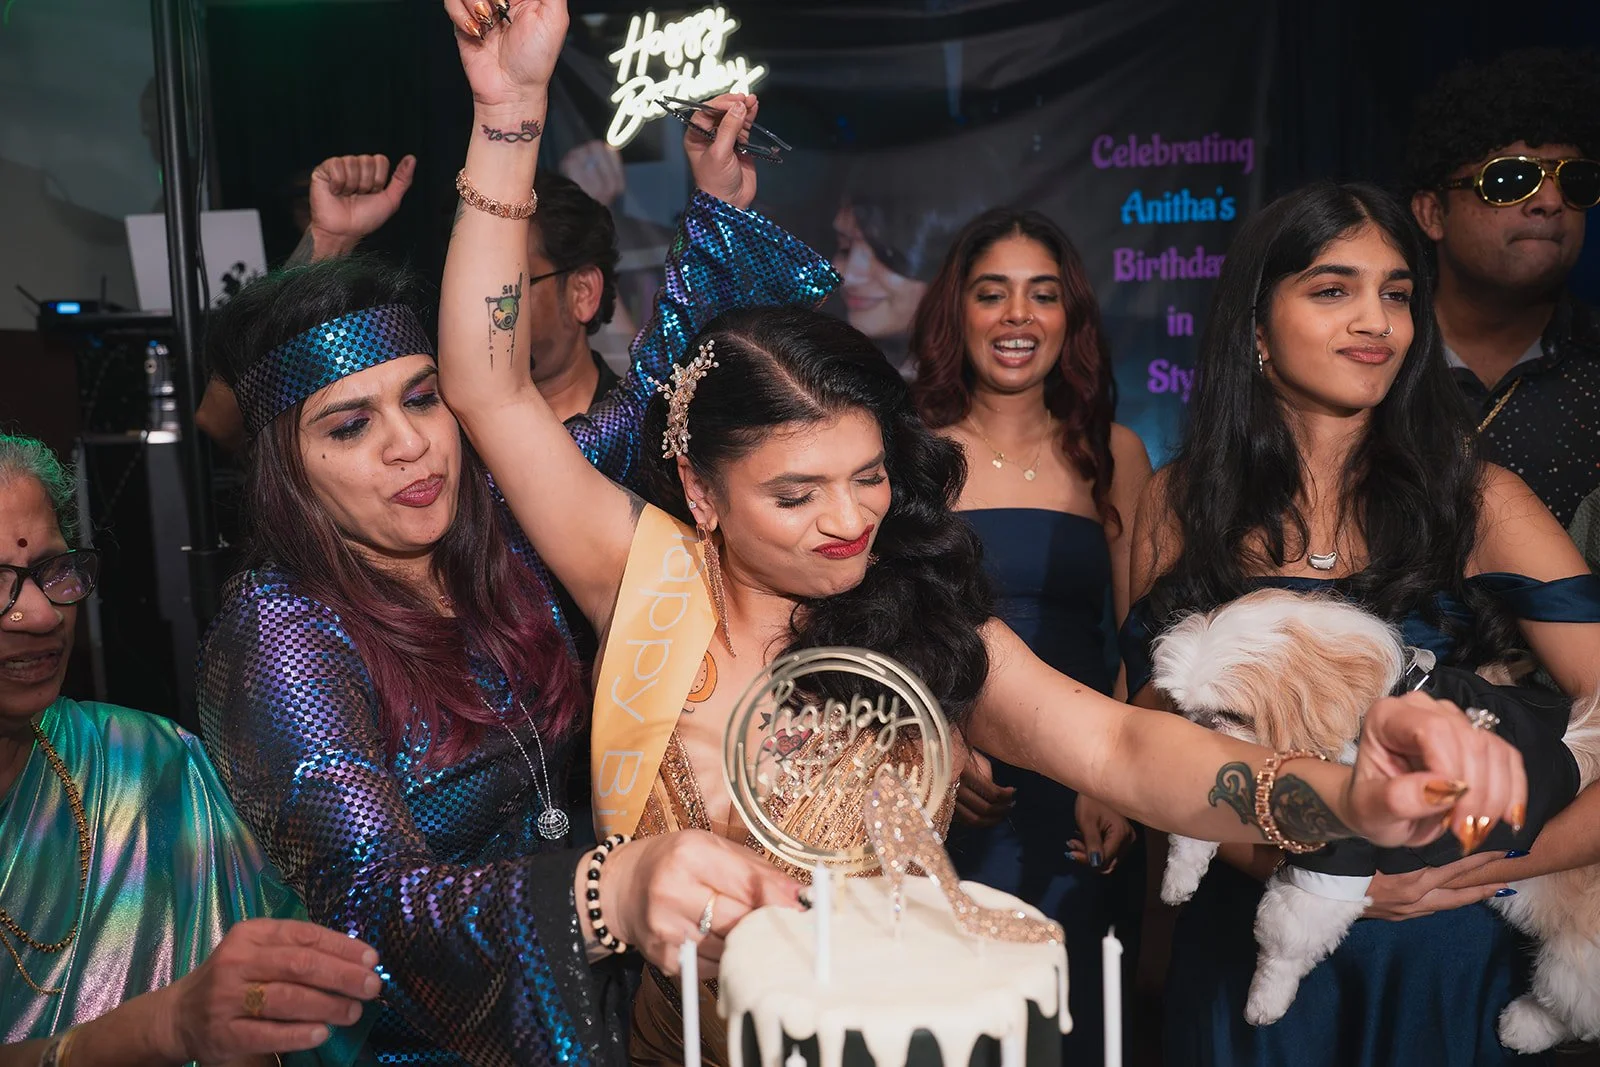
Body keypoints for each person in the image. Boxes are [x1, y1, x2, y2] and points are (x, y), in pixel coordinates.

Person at [434, 6, 1528, 1064]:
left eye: (867, 475)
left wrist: (1342, 795)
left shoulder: (912, 607)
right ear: (700, 489)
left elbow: (1118, 746)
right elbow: (488, 389)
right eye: (796, 494)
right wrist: (510, 110)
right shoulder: (642, 575)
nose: (850, 518)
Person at [194, 24, 836, 1066]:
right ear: (288, 467)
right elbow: (375, 899)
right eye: (349, 426)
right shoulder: (283, 625)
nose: (409, 444)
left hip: (599, 1021)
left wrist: (716, 206)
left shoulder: (500, 535)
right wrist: (606, 887)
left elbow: (657, 407)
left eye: (421, 397)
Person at [1126, 181, 1600, 1067]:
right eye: (1333, 289)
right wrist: (1287, 872)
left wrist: (1482, 869)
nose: (1376, 320)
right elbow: (1149, 738)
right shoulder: (1178, 498)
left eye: (1396, 293)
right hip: (1247, 940)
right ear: (1258, 328)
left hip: (1436, 962)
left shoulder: (1477, 495)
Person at [0, 433, 378, 1066]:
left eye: (52, 571)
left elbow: (291, 995)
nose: (39, 615)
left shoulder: (148, 766)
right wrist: (162, 1027)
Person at [909, 206, 1152, 1063]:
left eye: (1042, 295)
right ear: (956, 312)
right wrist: (929, 749)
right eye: (992, 294)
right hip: (942, 791)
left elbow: (1139, 633)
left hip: (1080, 799)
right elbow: (875, 633)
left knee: (1076, 1020)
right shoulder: (908, 455)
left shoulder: (1115, 453)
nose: (1017, 316)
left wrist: (1117, 777)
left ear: (1070, 319)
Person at [1404, 47, 1600, 525]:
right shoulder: (1373, 359)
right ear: (1433, 213)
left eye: (1573, 179)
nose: (1551, 201)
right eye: (1512, 179)